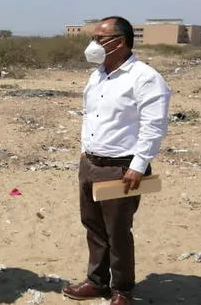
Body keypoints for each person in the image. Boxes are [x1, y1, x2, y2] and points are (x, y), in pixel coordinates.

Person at [62, 16, 171, 305]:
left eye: (99, 38)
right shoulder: (98, 74)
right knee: (94, 227)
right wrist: (85, 151)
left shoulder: (145, 78)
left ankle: (122, 289)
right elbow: (91, 115)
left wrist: (138, 165)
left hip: (122, 168)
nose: (93, 44)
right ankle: (96, 282)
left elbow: (153, 126)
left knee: (118, 232)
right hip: (91, 164)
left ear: (119, 42)